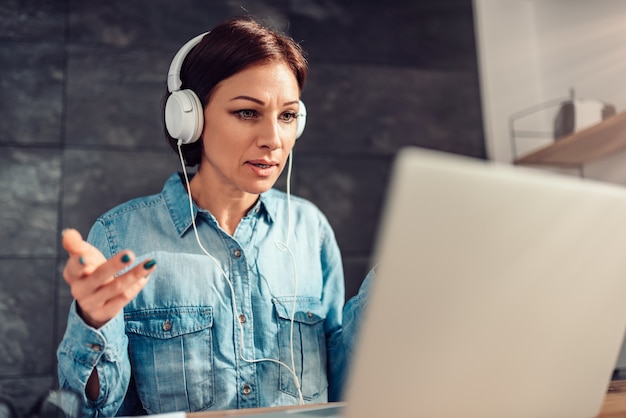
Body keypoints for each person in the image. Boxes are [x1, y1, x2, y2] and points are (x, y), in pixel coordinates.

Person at [57, 16, 358, 417]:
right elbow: (89, 412)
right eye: (248, 113)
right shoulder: (119, 235)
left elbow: (342, 384)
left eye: (287, 115)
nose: (273, 138)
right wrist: (92, 319)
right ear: (189, 120)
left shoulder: (310, 229)